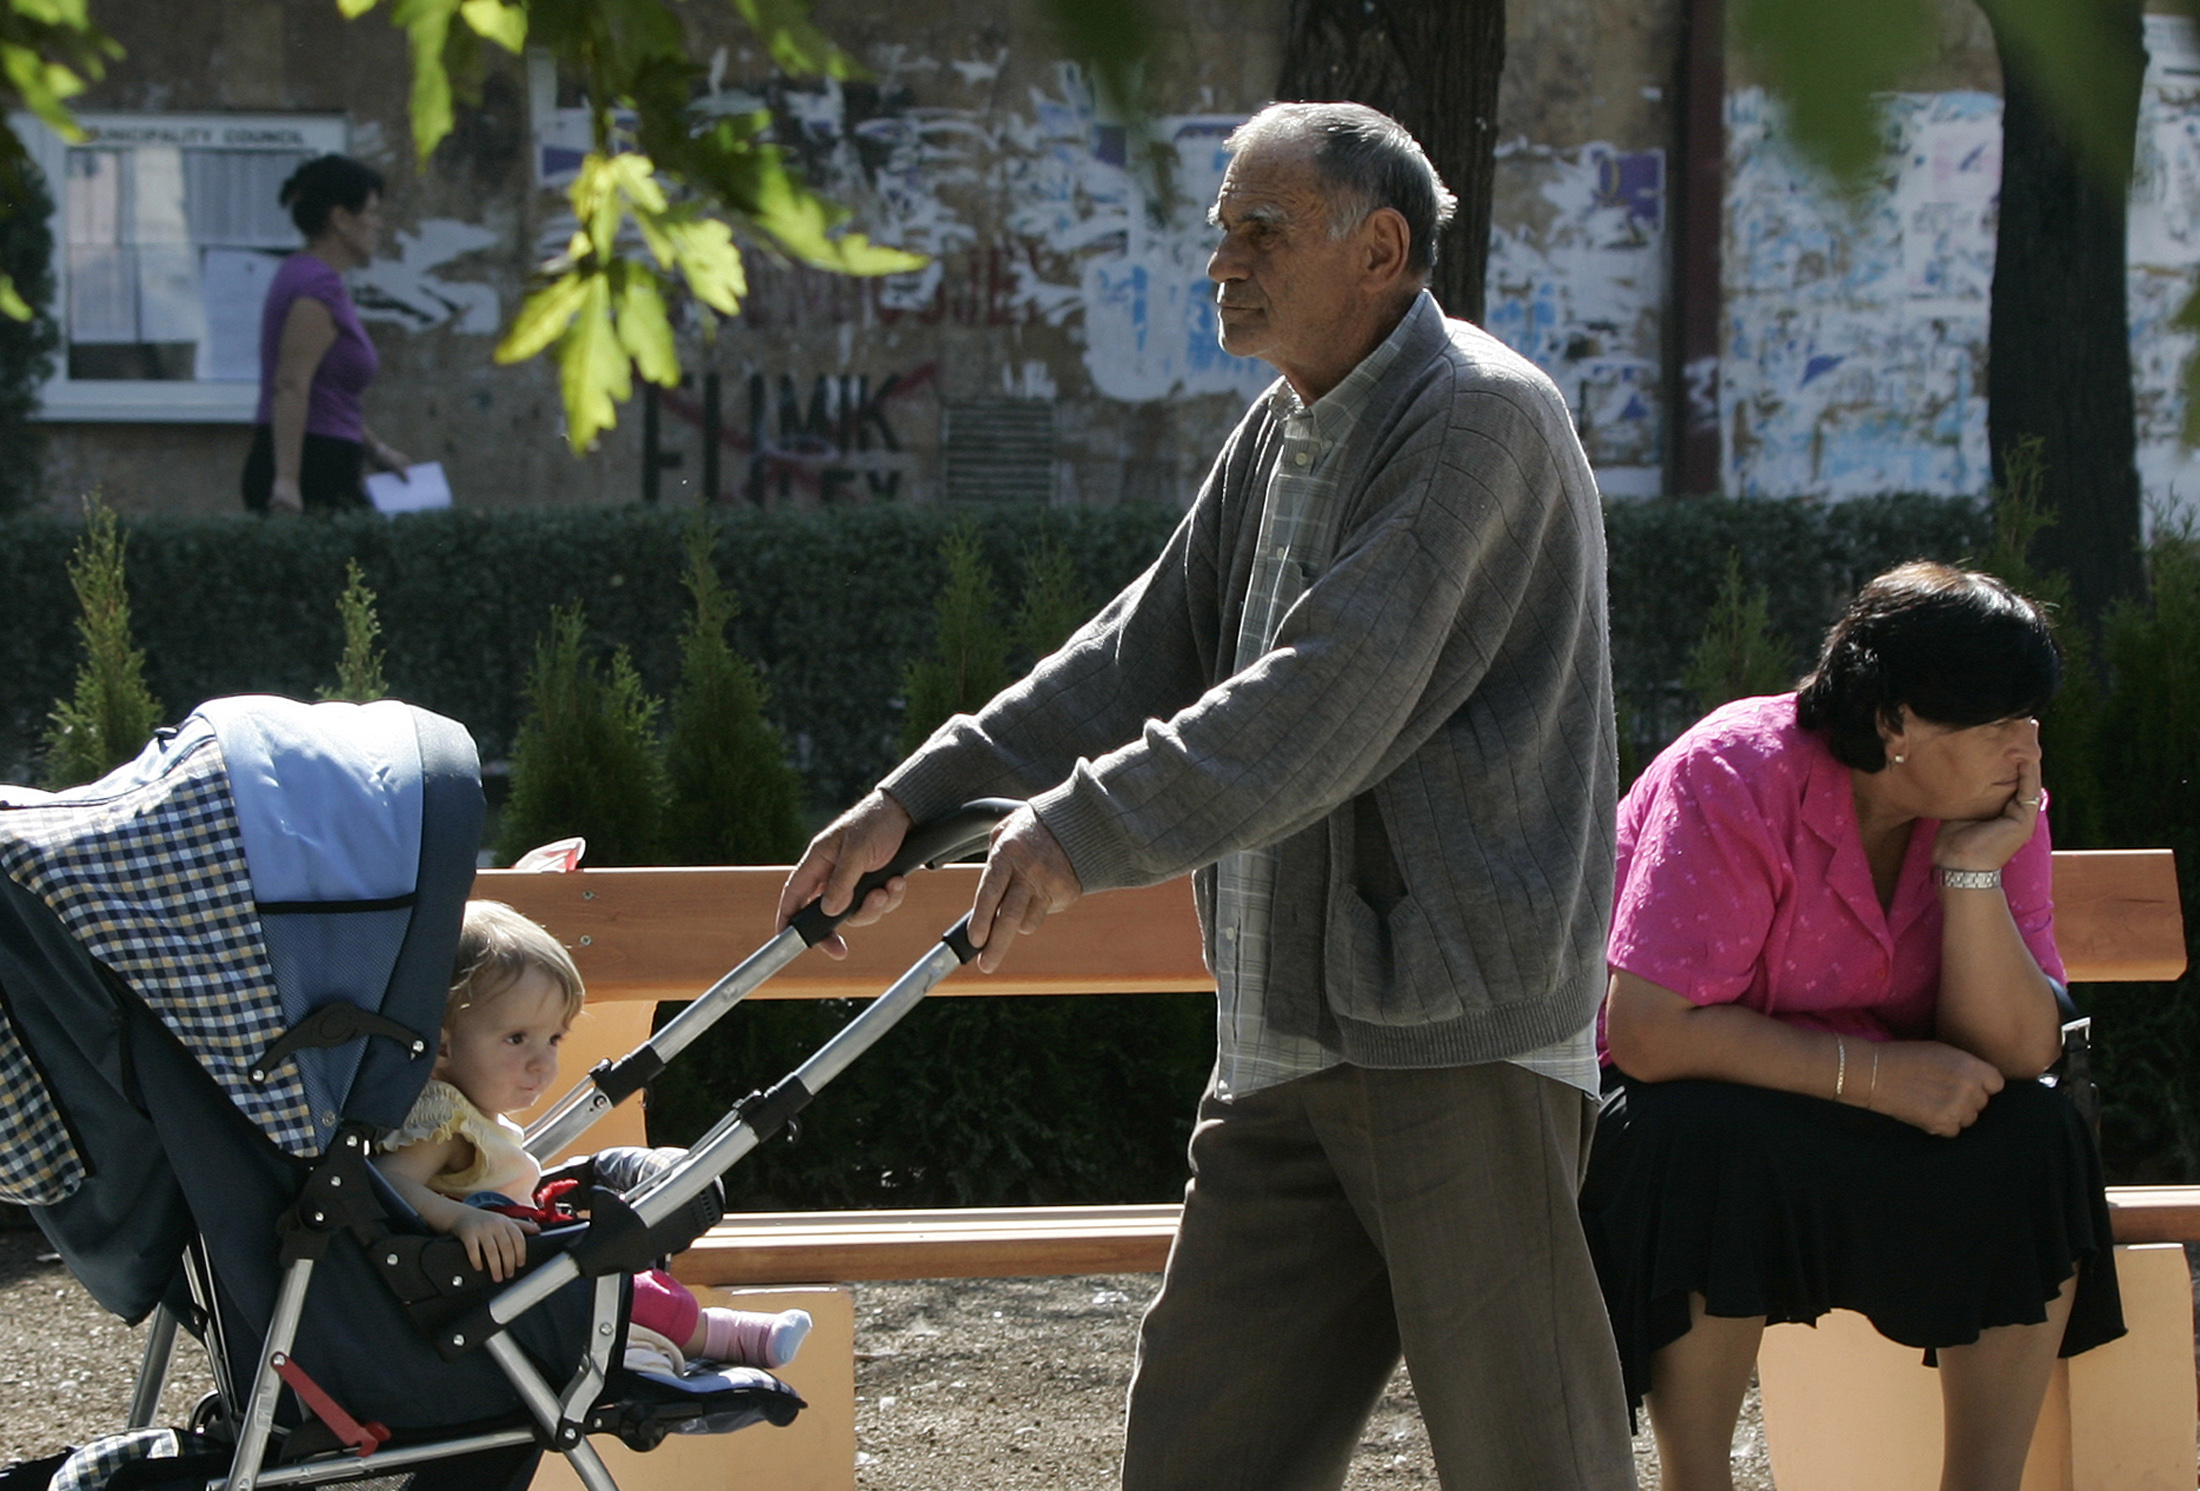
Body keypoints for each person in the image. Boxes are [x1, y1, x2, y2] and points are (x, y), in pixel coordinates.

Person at [779, 101, 1634, 1489]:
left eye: (1262, 230)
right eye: (1219, 229)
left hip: (1455, 1044)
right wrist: (921, 797)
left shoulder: (1477, 419)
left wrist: (1077, 828)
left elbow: (1324, 698)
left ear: (1382, 249)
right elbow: (1134, 657)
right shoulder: (1284, 427)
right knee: (1197, 1460)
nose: (1221, 261)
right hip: (1281, 1046)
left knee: (1539, 1459)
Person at [1581, 561, 2124, 1491]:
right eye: (1997, 720)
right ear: (1896, 720)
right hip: (1715, 1114)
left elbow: (2027, 1049)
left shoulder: (1993, 813)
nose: (2026, 747)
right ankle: (1695, 1477)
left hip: (1890, 1117)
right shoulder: (1734, 772)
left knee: (2037, 1133)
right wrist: (1874, 1078)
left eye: (2030, 717)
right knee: (1692, 1132)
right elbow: (1649, 1031)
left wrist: (1970, 875)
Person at [375, 900, 811, 1373]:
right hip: (485, 1293)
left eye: (554, 1038)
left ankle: (688, 1338)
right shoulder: (441, 1117)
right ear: (442, 1045)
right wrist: (460, 1219)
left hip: (511, 1288)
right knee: (630, 1291)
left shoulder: (472, 1114)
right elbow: (385, 1184)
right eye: (517, 1038)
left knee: (627, 1282)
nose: (543, 1063)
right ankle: (726, 1338)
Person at [240, 154, 410, 514]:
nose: (379, 225)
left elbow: (326, 395)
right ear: (341, 220)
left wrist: (376, 451)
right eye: (372, 212)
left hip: (328, 456)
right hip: (315, 466)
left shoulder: (307, 276)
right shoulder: (316, 287)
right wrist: (287, 480)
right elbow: (291, 384)